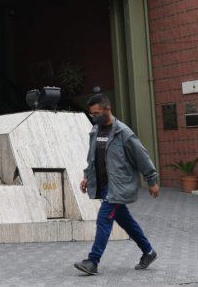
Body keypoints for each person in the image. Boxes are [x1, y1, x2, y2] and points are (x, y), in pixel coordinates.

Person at [74, 93, 159, 276]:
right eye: (91, 114)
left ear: (107, 109)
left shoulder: (123, 132)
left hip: (116, 188)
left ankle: (93, 261)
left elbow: (142, 156)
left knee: (104, 219)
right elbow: (92, 158)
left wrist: (152, 180)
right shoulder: (95, 131)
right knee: (126, 221)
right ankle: (149, 251)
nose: (94, 117)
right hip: (103, 185)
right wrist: (87, 177)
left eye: (97, 114)